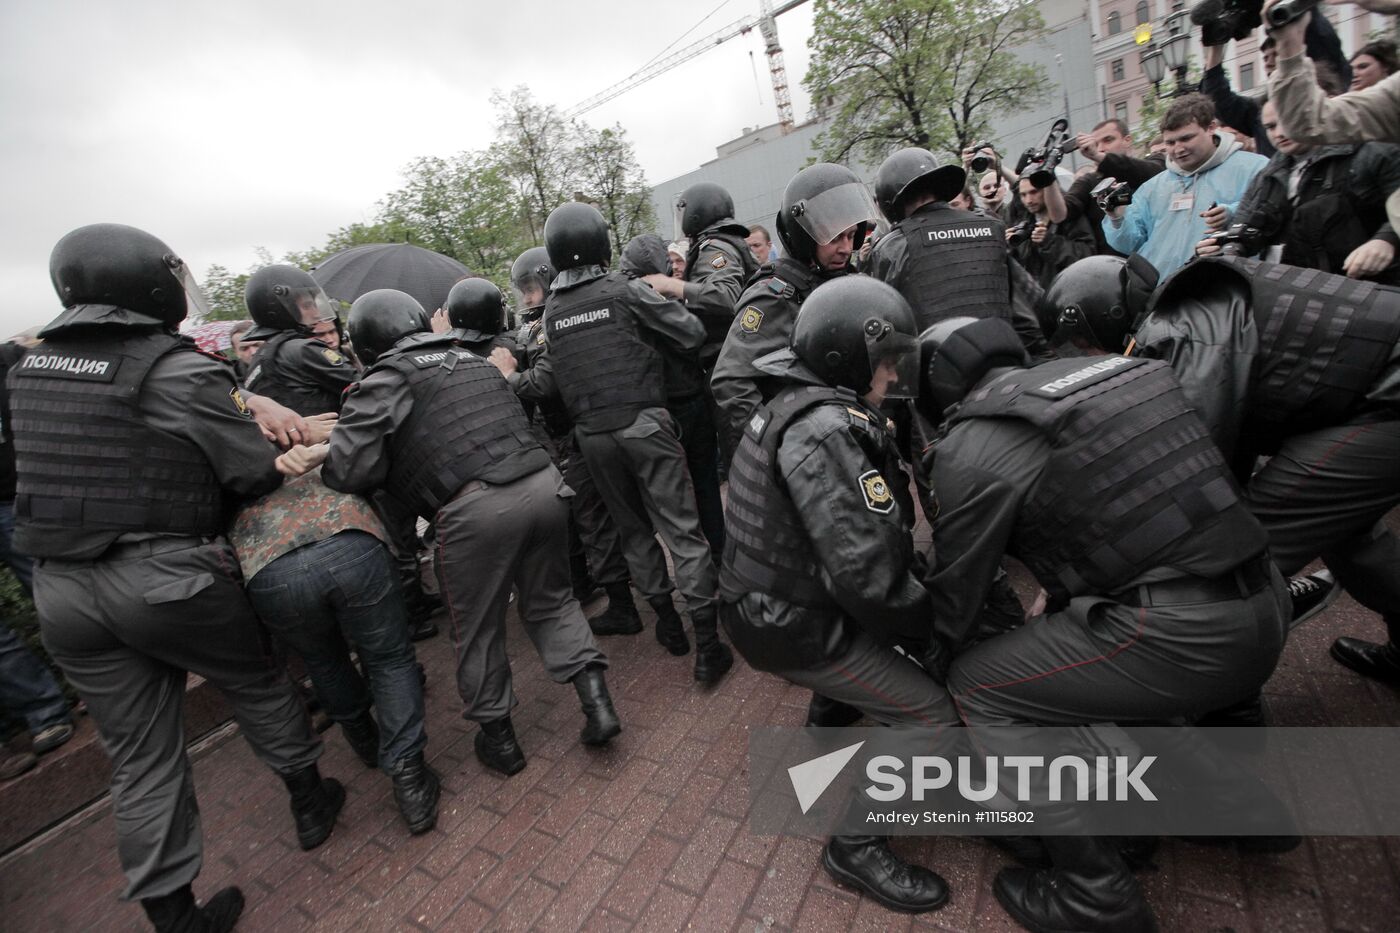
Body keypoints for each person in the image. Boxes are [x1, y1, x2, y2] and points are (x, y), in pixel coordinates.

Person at [9, 223, 343, 933]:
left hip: (63, 590)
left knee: (137, 754)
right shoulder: (177, 368)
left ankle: (174, 913)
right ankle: (311, 800)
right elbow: (248, 472)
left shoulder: (29, 369)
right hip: (165, 574)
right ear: (146, 282)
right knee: (257, 680)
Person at [917, 315, 1287, 933]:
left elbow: (959, 600)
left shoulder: (972, 443)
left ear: (941, 395)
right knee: (1102, 667)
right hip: (1266, 602)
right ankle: (1238, 807)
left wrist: (924, 658)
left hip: (1181, 635)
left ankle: (1095, 893)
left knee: (981, 686)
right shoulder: (1130, 373)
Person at [280, 288, 621, 777]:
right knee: (553, 602)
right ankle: (597, 705)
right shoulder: (473, 359)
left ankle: (501, 741)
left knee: (475, 628)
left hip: (474, 509)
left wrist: (332, 449)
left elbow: (351, 472)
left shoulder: (384, 378)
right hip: (545, 487)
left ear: (368, 341)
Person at [1047, 253, 1400, 685]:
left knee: (1244, 547)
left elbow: (1191, 460)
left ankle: (1217, 705)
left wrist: (1098, 561)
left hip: (1386, 399)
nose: (1093, 357)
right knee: (1350, 535)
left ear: (1107, 314)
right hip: (1373, 390)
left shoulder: (1178, 327)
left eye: (1086, 344)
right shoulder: (1190, 298)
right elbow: (1235, 433)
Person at [719, 275, 953, 914]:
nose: (896, 375)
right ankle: (855, 843)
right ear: (846, 358)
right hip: (785, 623)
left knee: (871, 643)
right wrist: (930, 632)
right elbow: (868, 576)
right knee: (932, 715)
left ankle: (827, 732)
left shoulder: (803, 399)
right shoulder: (826, 428)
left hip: (770, 604)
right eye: (886, 362)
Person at [491, 202, 733, 686]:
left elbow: (553, 377)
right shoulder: (622, 290)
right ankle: (707, 645)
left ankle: (668, 624)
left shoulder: (554, 310)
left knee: (634, 533)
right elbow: (689, 333)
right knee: (682, 531)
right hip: (645, 425)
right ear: (601, 243)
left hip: (593, 438)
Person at [227, 458, 438, 835]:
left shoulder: (220, 452)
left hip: (270, 565)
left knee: (322, 660)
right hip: (349, 539)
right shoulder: (297, 429)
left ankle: (364, 738)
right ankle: (411, 781)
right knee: (389, 658)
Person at [509, 248, 641, 635]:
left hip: (581, 430)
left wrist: (510, 376)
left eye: (531, 289)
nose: (527, 299)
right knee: (615, 511)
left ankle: (624, 604)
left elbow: (546, 381)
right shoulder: (544, 320)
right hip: (588, 429)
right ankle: (634, 589)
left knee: (593, 516)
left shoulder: (555, 317)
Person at [710, 162, 877, 458]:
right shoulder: (775, 294)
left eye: (851, 236)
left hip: (855, 434)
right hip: (814, 451)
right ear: (804, 235)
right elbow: (730, 380)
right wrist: (778, 441)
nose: (845, 247)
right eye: (835, 237)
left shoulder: (849, 282)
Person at [869, 147, 1051, 359]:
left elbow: (887, 333)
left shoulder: (891, 246)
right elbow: (1028, 309)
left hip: (938, 377)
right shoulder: (992, 228)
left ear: (888, 203)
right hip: (1003, 368)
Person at [1196, 97, 1400, 282]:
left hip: (1371, 293)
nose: (1279, 133)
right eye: (1270, 126)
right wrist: (1221, 248)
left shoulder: (1372, 152)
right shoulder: (1268, 173)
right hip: (1296, 293)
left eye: (1287, 121)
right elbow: (1245, 227)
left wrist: (1386, 240)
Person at [0, 339, 74, 779]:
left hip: (17, 501)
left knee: (57, 599)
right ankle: (43, 710)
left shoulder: (12, 359)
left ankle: (96, 691)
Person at [1264, 0, 1400, 234]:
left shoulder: (1373, 155)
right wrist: (1289, 43)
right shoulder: (1393, 95)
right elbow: (1309, 122)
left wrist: (1385, 240)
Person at [1103, 93, 1270, 278]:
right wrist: (1117, 217)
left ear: (1211, 128)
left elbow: (1271, 216)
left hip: (1226, 291)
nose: (1178, 148)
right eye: (1170, 142)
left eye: (1186, 138)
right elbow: (1130, 244)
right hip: (1162, 295)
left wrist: (1232, 214)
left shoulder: (1254, 168)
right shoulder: (1153, 187)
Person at [240, 264, 357, 416]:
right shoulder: (304, 349)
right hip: (334, 435)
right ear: (280, 307)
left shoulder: (262, 358)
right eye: (308, 305)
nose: (316, 313)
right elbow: (365, 387)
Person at [1060, 118, 1166, 253]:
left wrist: (1097, 156)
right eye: (1096, 144)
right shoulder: (1089, 182)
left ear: (1127, 140)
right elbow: (1063, 212)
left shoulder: (1149, 169)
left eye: (1108, 140)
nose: (1101, 148)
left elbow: (1147, 170)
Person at [1006, 176, 1096, 289]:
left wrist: (1049, 242)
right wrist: (1009, 247)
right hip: (1035, 296)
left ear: (1048, 190)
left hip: (1066, 292)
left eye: (1034, 192)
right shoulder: (1023, 220)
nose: (1029, 200)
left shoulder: (1070, 217)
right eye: (1023, 195)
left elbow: (1087, 256)